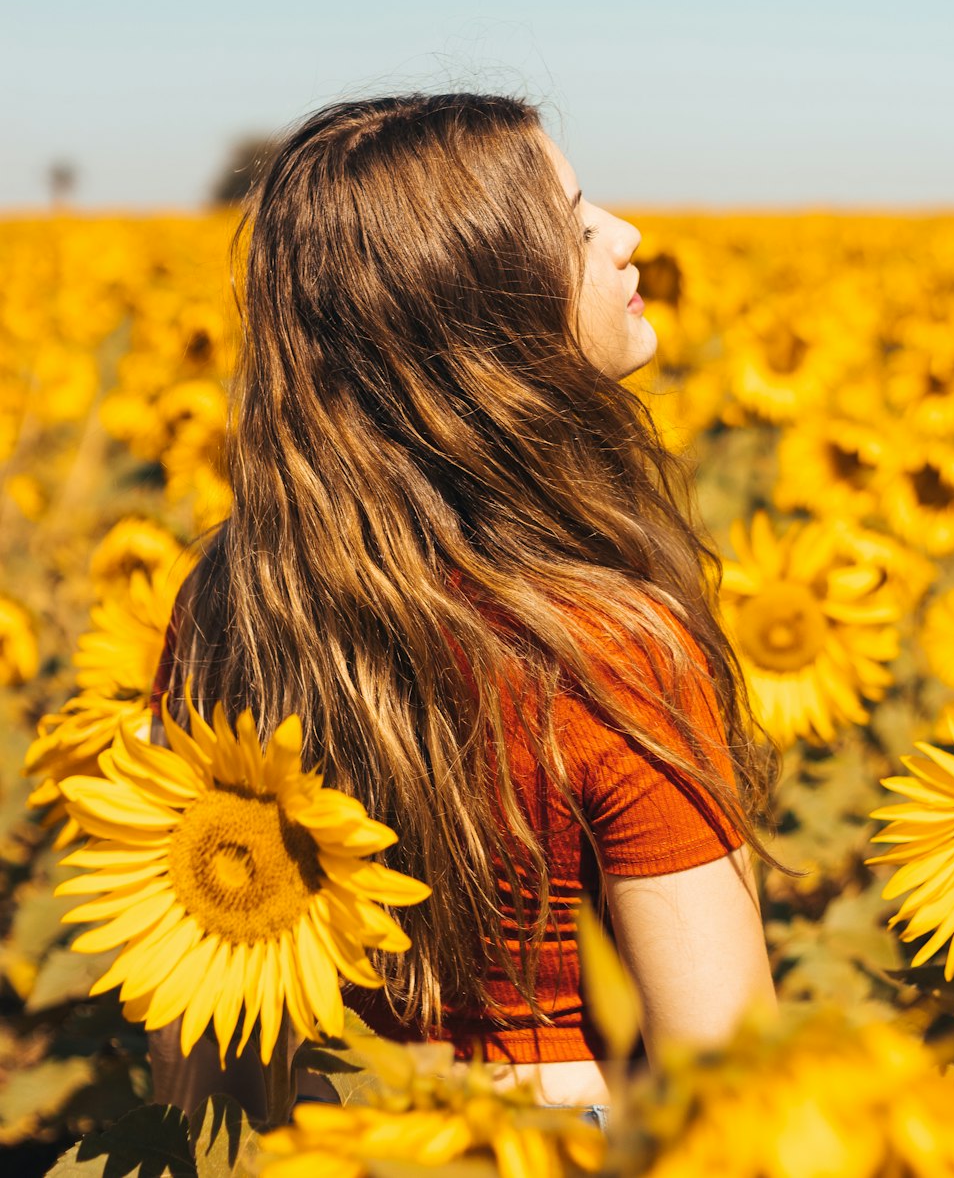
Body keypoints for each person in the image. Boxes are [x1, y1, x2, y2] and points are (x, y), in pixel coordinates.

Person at [149, 93, 779, 1119]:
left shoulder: (230, 600)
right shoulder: (606, 650)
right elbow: (730, 1073)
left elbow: (195, 1022)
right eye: (575, 226)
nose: (627, 239)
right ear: (481, 315)